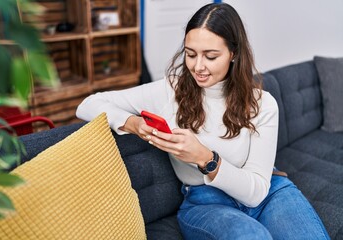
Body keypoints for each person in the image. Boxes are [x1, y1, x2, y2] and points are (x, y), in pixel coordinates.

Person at [76, 3, 329, 239]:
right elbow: (87, 105)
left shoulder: (262, 103)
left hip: (267, 191)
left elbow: (256, 192)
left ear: (233, 53)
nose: (198, 67)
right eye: (190, 54)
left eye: (210, 56)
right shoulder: (171, 90)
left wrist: (204, 158)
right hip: (206, 202)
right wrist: (132, 124)